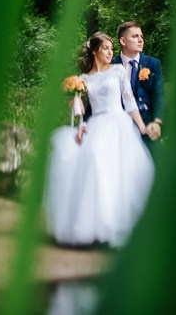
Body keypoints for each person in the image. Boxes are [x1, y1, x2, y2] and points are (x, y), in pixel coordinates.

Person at [44, 32, 154, 247]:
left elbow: (129, 101)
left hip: (119, 124)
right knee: (95, 164)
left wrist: (141, 127)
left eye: (111, 48)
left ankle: (123, 226)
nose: (110, 52)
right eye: (105, 48)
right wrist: (79, 119)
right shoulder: (83, 79)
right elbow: (82, 111)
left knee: (122, 173)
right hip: (96, 124)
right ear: (95, 51)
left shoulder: (118, 71)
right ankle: (97, 226)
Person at [112, 21, 165, 144]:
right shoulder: (111, 65)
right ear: (123, 41)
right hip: (118, 130)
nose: (140, 40)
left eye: (141, 36)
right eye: (135, 36)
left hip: (147, 128)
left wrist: (157, 122)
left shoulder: (153, 64)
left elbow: (158, 95)